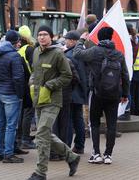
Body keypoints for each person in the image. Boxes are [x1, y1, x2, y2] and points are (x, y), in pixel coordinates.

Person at [27, 25, 80, 180]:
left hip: (53, 100)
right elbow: (34, 72)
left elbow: (67, 76)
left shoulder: (58, 54)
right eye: (39, 34)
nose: (42, 37)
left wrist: (50, 85)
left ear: (51, 37)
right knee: (44, 133)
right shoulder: (36, 52)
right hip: (38, 99)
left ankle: (40, 172)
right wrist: (32, 83)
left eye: (45, 34)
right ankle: (71, 157)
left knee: (42, 133)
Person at [73, 27, 129, 165]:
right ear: (111, 37)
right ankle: (108, 155)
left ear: (98, 37)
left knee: (94, 123)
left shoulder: (95, 51)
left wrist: (81, 40)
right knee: (111, 125)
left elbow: (77, 53)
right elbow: (125, 75)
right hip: (114, 94)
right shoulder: (119, 54)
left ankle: (96, 154)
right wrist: (125, 93)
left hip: (97, 93)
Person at [0, 30, 25, 163]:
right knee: (11, 125)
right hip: (11, 94)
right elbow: (18, 78)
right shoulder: (14, 56)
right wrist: (20, 94)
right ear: (16, 42)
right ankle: (8, 154)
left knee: (0, 124)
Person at [64, 30, 87, 154]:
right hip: (80, 91)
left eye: (66, 39)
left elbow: (69, 76)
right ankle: (79, 145)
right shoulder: (82, 53)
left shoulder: (69, 55)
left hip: (71, 91)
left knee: (68, 120)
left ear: (73, 41)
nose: (65, 41)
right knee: (78, 118)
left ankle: (66, 146)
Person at [17, 25, 36, 149]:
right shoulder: (30, 49)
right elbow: (35, 67)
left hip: (22, 84)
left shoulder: (19, 50)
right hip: (30, 84)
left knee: (23, 112)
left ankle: (21, 136)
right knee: (28, 112)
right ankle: (25, 138)